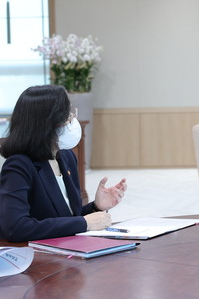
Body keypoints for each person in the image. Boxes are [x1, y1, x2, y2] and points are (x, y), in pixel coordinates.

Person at [0, 85, 127, 242]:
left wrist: (96, 207)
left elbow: (67, 217)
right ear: (47, 124)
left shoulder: (66, 157)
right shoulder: (18, 166)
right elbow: (16, 228)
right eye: (68, 115)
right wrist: (84, 223)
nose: (72, 120)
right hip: (36, 253)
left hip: (68, 247)